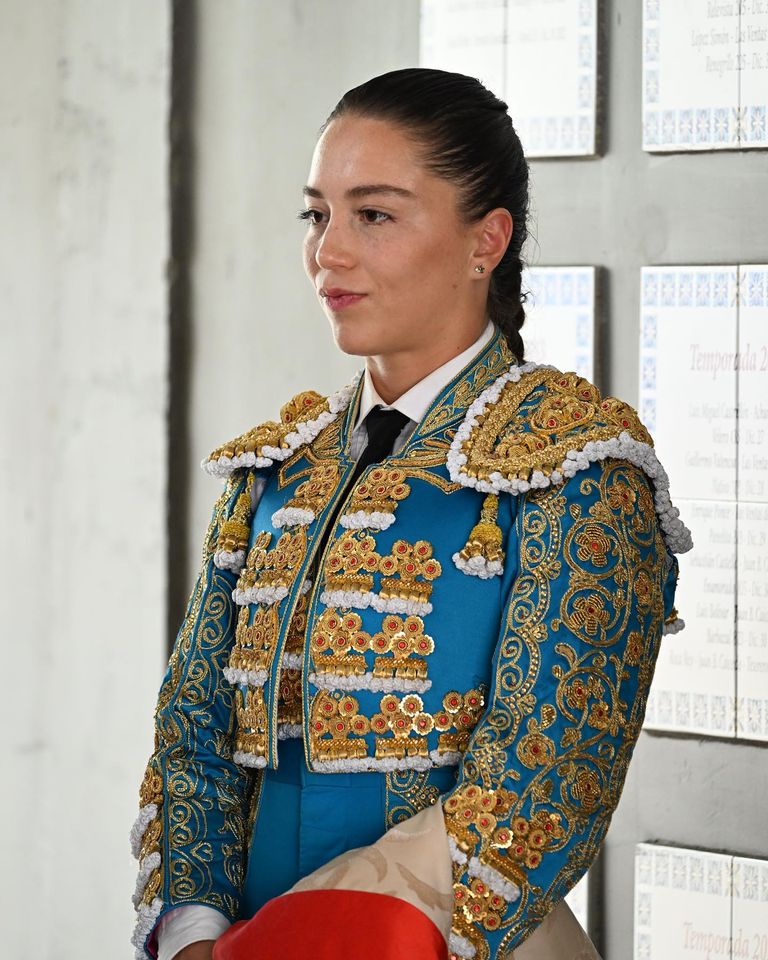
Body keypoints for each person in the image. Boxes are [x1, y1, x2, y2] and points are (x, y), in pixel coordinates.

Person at [130, 67, 691, 960]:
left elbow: (545, 779)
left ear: (485, 241)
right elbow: (193, 732)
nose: (329, 252)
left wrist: (306, 941)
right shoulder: (274, 471)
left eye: (374, 215)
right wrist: (198, 936)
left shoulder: (579, 470)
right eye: (317, 214)